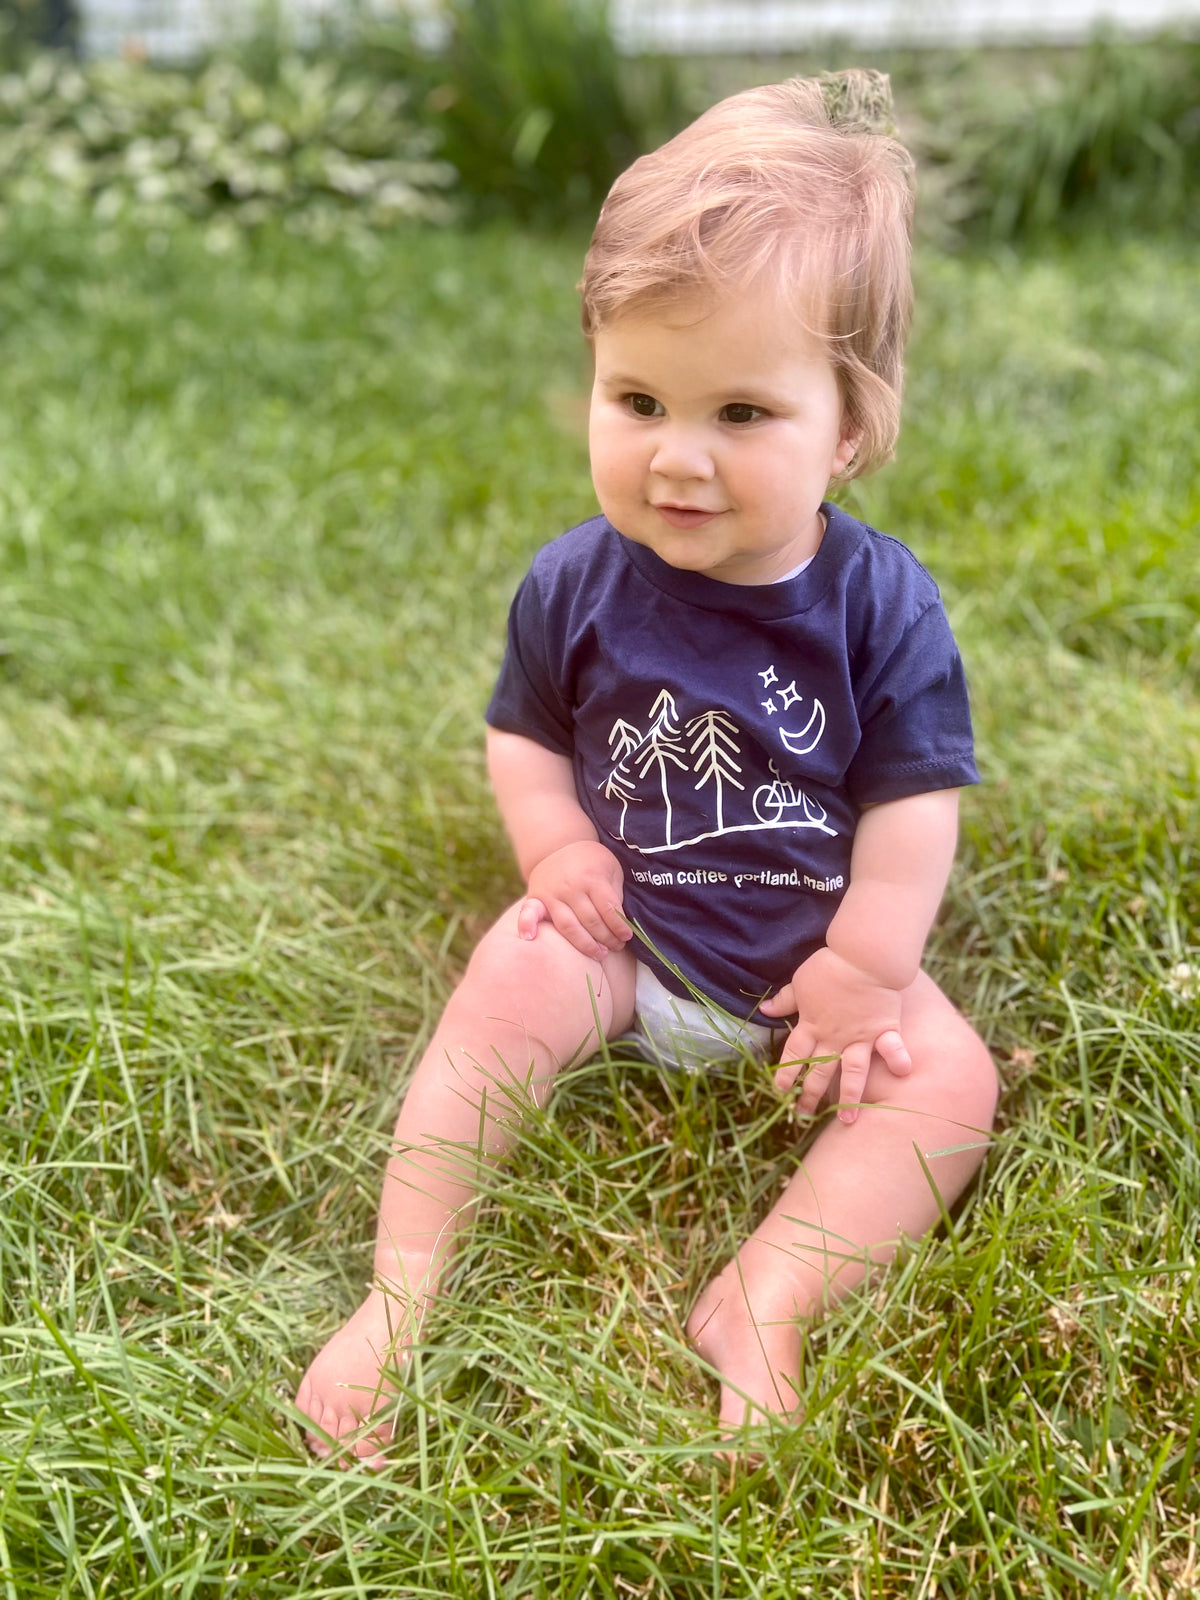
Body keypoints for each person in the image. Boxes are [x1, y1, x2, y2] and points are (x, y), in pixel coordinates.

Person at [295, 69, 998, 1464]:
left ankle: (767, 1293)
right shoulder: (575, 585)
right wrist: (557, 852)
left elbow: (915, 806)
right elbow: (527, 735)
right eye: (639, 397)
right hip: (636, 944)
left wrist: (865, 968)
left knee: (951, 1085)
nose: (678, 458)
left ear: (847, 430)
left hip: (814, 975)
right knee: (505, 975)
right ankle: (400, 1293)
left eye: (743, 414)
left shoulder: (880, 606)